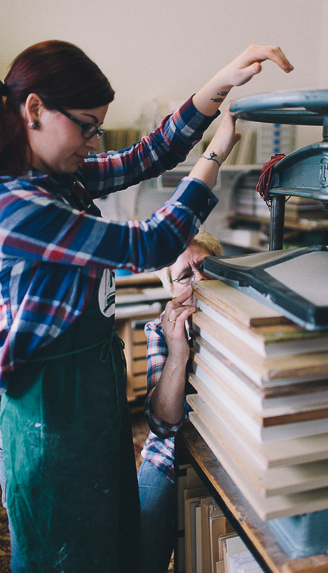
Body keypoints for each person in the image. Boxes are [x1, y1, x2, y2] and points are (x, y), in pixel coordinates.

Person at [0, 40, 293, 572]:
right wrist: (215, 154)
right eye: (87, 126)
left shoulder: (62, 177)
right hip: (51, 424)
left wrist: (220, 82)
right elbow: (150, 243)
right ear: (35, 110)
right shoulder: (15, 206)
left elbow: (145, 156)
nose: (92, 143)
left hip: (91, 405)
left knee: (109, 548)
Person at [138, 229, 222, 573]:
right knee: (140, 557)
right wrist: (178, 354)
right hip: (168, 458)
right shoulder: (160, 329)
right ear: (172, 290)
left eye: (206, 266)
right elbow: (161, 424)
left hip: (224, 464)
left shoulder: (244, 322)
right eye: (185, 276)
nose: (199, 279)